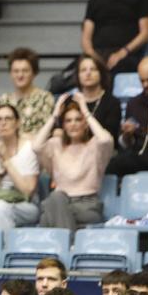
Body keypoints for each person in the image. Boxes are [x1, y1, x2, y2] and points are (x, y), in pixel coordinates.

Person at [32, 93, 115, 231]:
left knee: (47, 215)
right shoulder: (56, 145)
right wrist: (54, 116)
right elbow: (36, 146)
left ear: (85, 124)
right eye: (68, 120)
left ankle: (63, 246)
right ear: (63, 125)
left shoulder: (95, 146)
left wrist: (86, 112)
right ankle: (69, 246)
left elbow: (106, 140)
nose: (73, 124)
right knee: (56, 200)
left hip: (87, 205)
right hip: (61, 202)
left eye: (78, 119)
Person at [83, 0, 148, 74]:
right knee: (62, 81)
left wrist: (122, 52)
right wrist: (94, 59)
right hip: (97, 56)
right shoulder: (95, 1)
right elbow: (86, 38)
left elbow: (145, 33)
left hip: (128, 55)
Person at [0, 47, 54, 137]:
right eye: (16, 71)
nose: (20, 75)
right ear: (11, 74)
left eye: (25, 71)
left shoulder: (45, 98)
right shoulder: (4, 100)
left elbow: (46, 133)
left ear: (34, 73)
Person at [74, 54, 123, 140]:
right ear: (78, 75)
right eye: (83, 70)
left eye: (93, 69)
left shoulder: (112, 103)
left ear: (101, 73)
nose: (88, 73)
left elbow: (110, 137)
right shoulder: (72, 101)